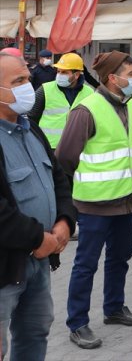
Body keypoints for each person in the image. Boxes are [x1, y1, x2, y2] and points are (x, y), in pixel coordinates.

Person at [55, 52, 132, 349]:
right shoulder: (87, 110)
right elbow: (66, 158)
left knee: (120, 259)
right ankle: (78, 323)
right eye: (131, 73)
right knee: (86, 265)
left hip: (126, 202)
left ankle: (114, 308)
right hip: (93, 206)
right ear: (112, 78)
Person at [0, 51, 77, 361]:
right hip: (6, 266)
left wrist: (64, 223)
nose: (27, 88)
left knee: (35, 332)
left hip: (40, 262)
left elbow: (59, 180)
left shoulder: (32, 129)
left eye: (27, 80)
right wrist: (39, 239)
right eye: (18, 82)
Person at [28, 52, 94, 151]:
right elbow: (31, 119)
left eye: (64, 72)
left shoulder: (89, 93)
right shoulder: (45, 90)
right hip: (49, 147)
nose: (59, 75)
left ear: (76, 75)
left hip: (79, 148)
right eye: (58, 71)